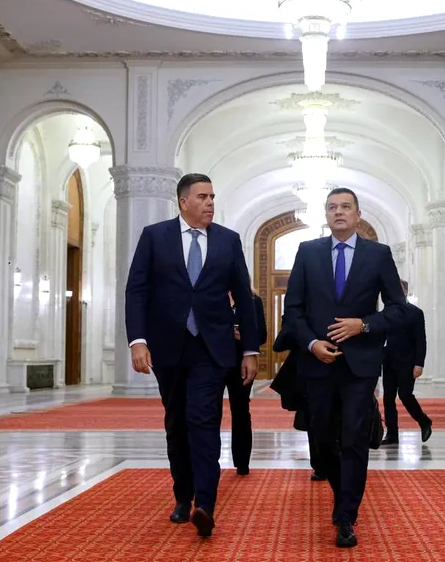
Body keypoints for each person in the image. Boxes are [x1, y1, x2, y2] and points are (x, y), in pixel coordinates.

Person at [124, 173, 260, 538]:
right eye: (202, 197)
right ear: (183, 201)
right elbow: (137, 290)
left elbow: (243, 297)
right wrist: (137, 340)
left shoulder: (228, 240)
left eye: (212, 196)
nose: (210, 202)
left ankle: (206, 504)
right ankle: (183, 496)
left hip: (212, 347)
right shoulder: (155, 236)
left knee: (204, 420)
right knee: (177, 423)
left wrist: (250, 349)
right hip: (168, 345)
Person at [283, 187, 407, 549]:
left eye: (345, 207)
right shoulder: (308, 252)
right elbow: (293, 309)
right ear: (326, 214)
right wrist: (311, 343)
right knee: (322, 439)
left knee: (353, 437)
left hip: (360, 365)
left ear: (357, 214)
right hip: (317, 362)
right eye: (332, 207)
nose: (338, 212)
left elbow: (398, 309)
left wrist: (363, 325)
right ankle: (343, 496)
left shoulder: (378, 254)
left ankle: (346, 515)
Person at [269, 319, 324, 480]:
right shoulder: (298, 316)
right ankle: (321, 465)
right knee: (314, 419)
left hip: (332, 370)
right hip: (307, 374)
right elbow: (280, 343)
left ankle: (325, 465)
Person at [381, 281, 431, 445]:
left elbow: (421, 341)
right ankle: (392, 434)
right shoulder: (386, 312)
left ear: (405, 292)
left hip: (407, 363)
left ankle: (424, 422)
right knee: (388, 398)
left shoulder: (415, 313)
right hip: (388, 362)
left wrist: (419, 364)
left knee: (405, 395)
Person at [226, 289, 267, 475]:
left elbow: (262, 334)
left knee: (240, 408)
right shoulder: (211, 293)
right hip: (213, 360)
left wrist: (245, 336)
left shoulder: (252, 300)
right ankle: (209, 461)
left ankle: (242, 462)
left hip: (242, 361)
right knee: (209, 410)